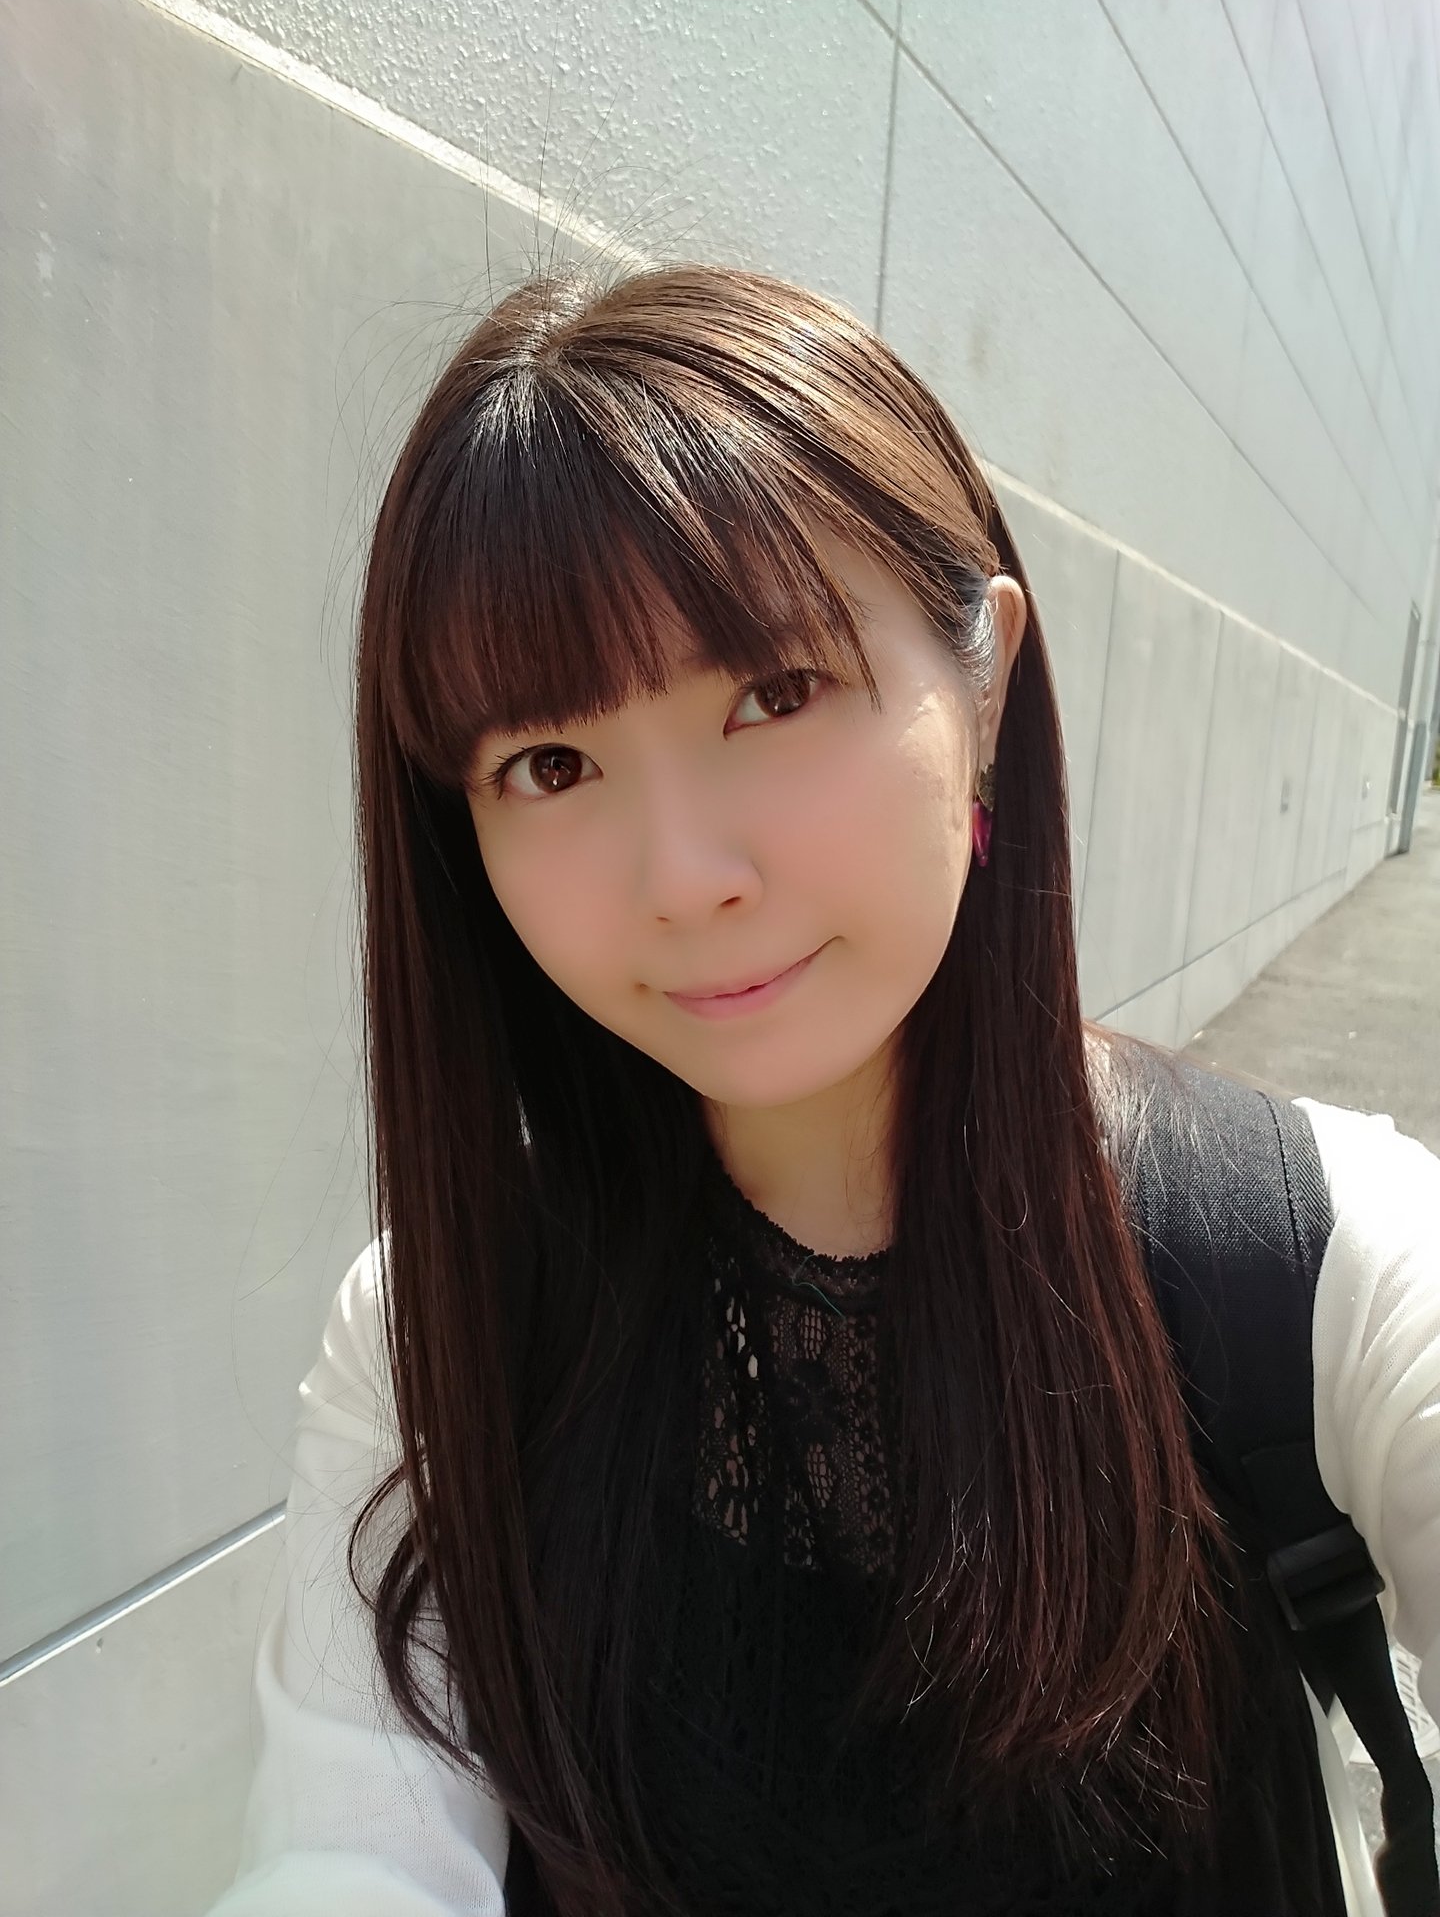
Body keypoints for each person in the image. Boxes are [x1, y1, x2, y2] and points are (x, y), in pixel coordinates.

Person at [207, 261, 1440, 1917]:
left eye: (774, 694)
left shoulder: (1318, 1261)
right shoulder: (440, 1332)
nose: (684, 876)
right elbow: (348, 1856)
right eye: (550, 764)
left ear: (985, 682)